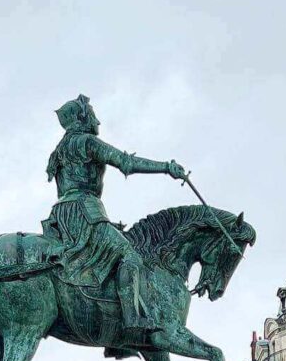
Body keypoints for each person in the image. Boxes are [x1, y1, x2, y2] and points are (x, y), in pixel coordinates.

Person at [44, 94, 186, 343]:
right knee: (130, 256)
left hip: (61, 215)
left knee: (110, 257)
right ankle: (133, 320)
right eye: (92, 115)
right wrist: (166, 167)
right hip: (86, 211)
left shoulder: (58, 151)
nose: (97, 120)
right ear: (83, 118)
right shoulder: (87, 143)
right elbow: (126, 162)